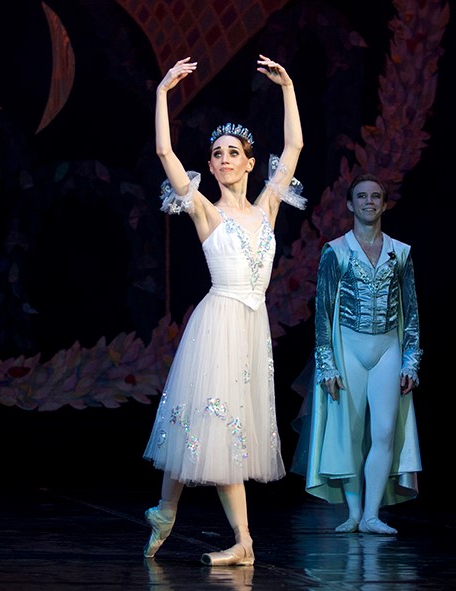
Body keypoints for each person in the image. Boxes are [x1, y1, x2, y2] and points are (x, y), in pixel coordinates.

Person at [142, 55, 306, 565]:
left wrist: (288, 88)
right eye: (217, 154)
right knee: (207, 421)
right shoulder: (206, 212)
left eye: (234, 152)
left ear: (250, 163)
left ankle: (192, 521)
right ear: (210, 167)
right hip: (218, 324)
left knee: (216, 427)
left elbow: (295, 147)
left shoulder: (268, 208)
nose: (225, 158)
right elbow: (165, 151)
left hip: (251, 327)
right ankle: (220, 533)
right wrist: (162, 93)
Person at [294, 173, 422, 535]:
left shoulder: (400, 252)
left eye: (375, 196)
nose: (369, 202)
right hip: (348, 346)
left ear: (384, 204)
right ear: (351, 204)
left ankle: (371, 514)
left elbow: (411, 310)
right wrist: (326, 364)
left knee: (384, 431)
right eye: (362, 196)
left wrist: (411, 360)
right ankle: (352, 513)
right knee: (349, 431)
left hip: (387, 348)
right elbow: (323, 312)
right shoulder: (336, 251)